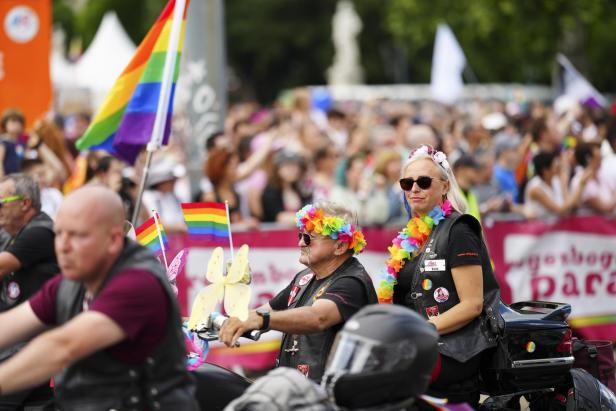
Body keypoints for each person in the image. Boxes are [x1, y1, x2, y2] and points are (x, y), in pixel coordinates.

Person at [0, 186, 197, 410]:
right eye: (59, 233)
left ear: (113, 239)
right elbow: (9, 325)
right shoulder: (71, 282)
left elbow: (62, 347)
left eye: (77, 235)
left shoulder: (138, 283)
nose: (63, 246)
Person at [377, 145, 502, 407]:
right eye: (407, 183)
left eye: (423, 182)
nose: (414, 189)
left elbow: (472, 304)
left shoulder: (459, 229)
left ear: (445, 187)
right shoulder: (409, 238)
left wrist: (421, 331)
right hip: (419, 344)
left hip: (456, 348)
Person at [219, 201, 377, 382]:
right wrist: (216, 322)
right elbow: (262, 313)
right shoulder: (304, 277)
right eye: (300, 235)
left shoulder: (351, 281)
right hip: (296, 389)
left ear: (340, 247)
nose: (301, 242)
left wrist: (261, 319)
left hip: (329, 396)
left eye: (309, 238)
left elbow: (318, 318)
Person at [0, 174, 58, 409]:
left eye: (2, 202)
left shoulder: (41, 231)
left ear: (24, 203)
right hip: (22, 341)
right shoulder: (12, 235)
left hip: (33, 344)